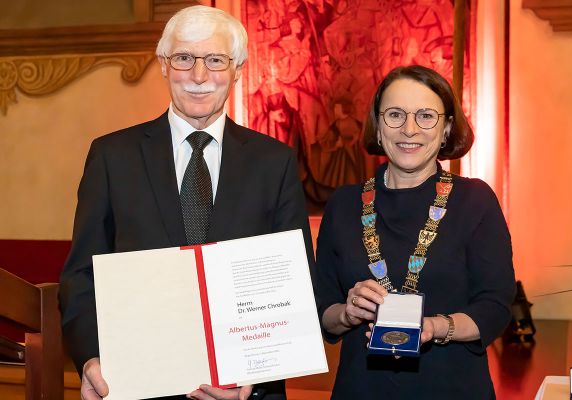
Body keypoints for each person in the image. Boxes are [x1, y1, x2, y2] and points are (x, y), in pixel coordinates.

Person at [59, 5, 312, 400]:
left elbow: (296, 282)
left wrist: (259, 372)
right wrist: (91, 359)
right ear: (163, 64)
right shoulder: (112, 157)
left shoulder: (275, 161)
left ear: (238, 69)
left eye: (215, 60)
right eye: (184, 58)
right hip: (138, 386)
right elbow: (81, 275)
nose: (198, 76)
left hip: (246, 390)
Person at [315, 65, 516, 399]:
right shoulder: (342, 204)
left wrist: (434, 327)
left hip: (452, 388)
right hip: (361, 388)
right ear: (378, 127)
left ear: (447, 128)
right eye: (395, 115)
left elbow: (495, 308)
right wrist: (348, 312)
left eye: (426, 116)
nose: (409, 129)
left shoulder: (475, 201)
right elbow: (324, 314)